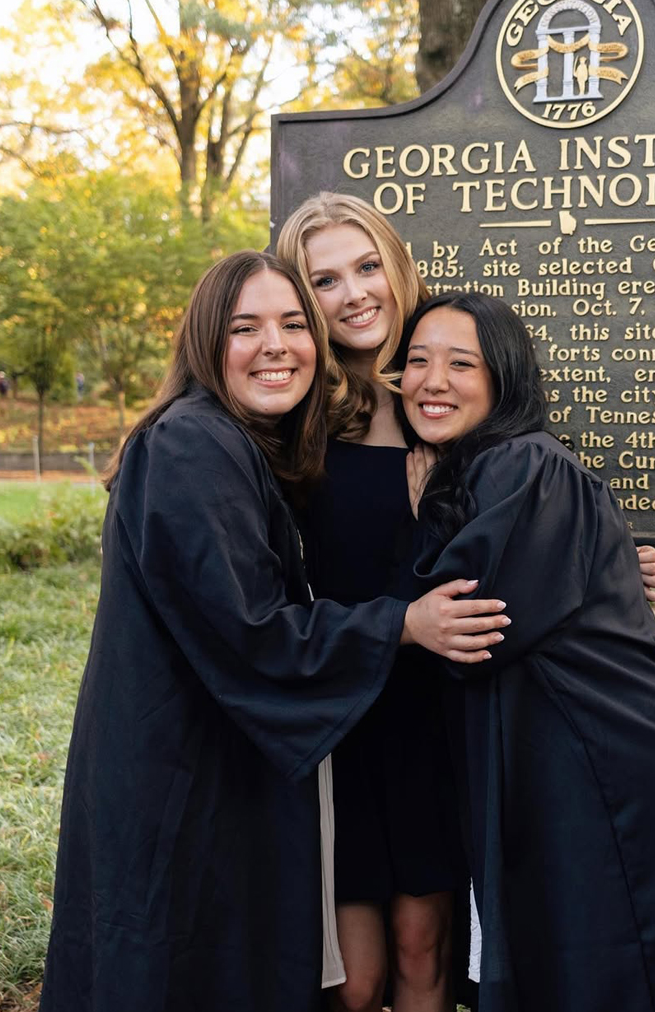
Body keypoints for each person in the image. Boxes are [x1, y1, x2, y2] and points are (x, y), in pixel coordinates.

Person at [38, 251, 509, 1012]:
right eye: (244, 327)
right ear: (202, 342)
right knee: (175, 960)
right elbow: (251, 628)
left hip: (212, 757)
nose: (276, 345)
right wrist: (404, 623)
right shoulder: (192, 444)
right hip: (180, 770)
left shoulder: (234, 442)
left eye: (293, 324)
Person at [277, 193, 655, 1012]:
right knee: (354, 978)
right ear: (302, 298)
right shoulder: (292, 421)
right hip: (338, 711)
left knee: (425, 953)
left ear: (396, 265)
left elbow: (523, 540)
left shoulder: (449, 411)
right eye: (324, 279)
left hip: (440, 713)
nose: (354, 293)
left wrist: (604, 567)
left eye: (367, 265)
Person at [398, 292, 655, 1012]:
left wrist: (420, 518)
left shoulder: (520, 466)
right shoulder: (489, 468)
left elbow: (471, 628)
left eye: (460, 363)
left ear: (503, 378)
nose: (432, 380)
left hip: (612, 766)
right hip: (581, 758)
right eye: (416, 361)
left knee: (633, 970)